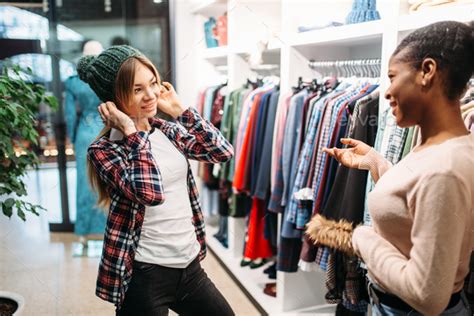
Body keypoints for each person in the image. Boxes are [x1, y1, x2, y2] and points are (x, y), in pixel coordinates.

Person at [324, 21, 473, 315]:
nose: (388, 91)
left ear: (427, 72)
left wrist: (361, 238)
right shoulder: (442, 146)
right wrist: (376, 162)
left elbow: (428, 296)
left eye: (393, 76)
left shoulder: (445, 168)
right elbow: (416, 204)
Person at [77, 45, 235, 315]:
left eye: (152, 83)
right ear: (113, 99)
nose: (151, 95)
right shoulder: (105, 150)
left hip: (189, 265)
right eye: (137, 89)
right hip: (145, 274)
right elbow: (149, 193)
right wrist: (130, 129)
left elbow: (221, 152)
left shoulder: (168, 131)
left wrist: (182, 111)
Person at [64, 40, 106, 247]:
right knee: (109, 181)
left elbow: (70, 115)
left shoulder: (73, 82)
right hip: (108, 131)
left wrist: (72, 138)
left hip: (84, 132)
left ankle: (83, 231)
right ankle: (109, 228)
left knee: (84, 182)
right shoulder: (109, 78)